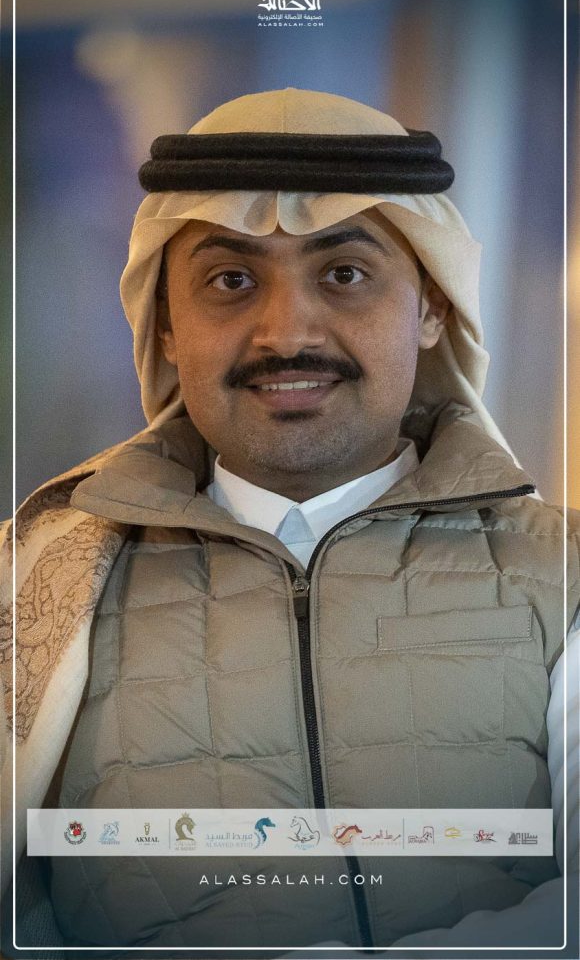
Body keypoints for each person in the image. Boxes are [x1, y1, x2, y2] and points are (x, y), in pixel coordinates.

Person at [1, 87, 578, 958]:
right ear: (166, 325)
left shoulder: (562, 578)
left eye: (343, 273)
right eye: (231, 281)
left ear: (430, 307)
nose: (285, 331)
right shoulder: (38, 583)